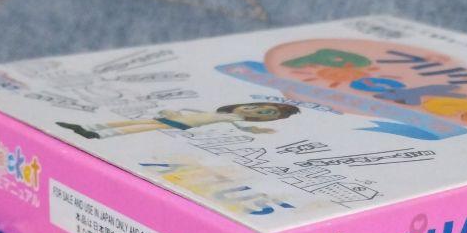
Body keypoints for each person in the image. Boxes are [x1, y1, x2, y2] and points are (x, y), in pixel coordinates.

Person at [56, 101, 299, 139]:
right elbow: (198, 112)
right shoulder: (226, 112)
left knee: (141, 126)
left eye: (267, 114)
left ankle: (96, 133)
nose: (255, 110)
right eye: (258, 107)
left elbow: (243, 127)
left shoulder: (234, 118)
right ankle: (90, 128)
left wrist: (258, 131)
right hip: (183, 118)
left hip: (186, 124)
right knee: (141, 123)